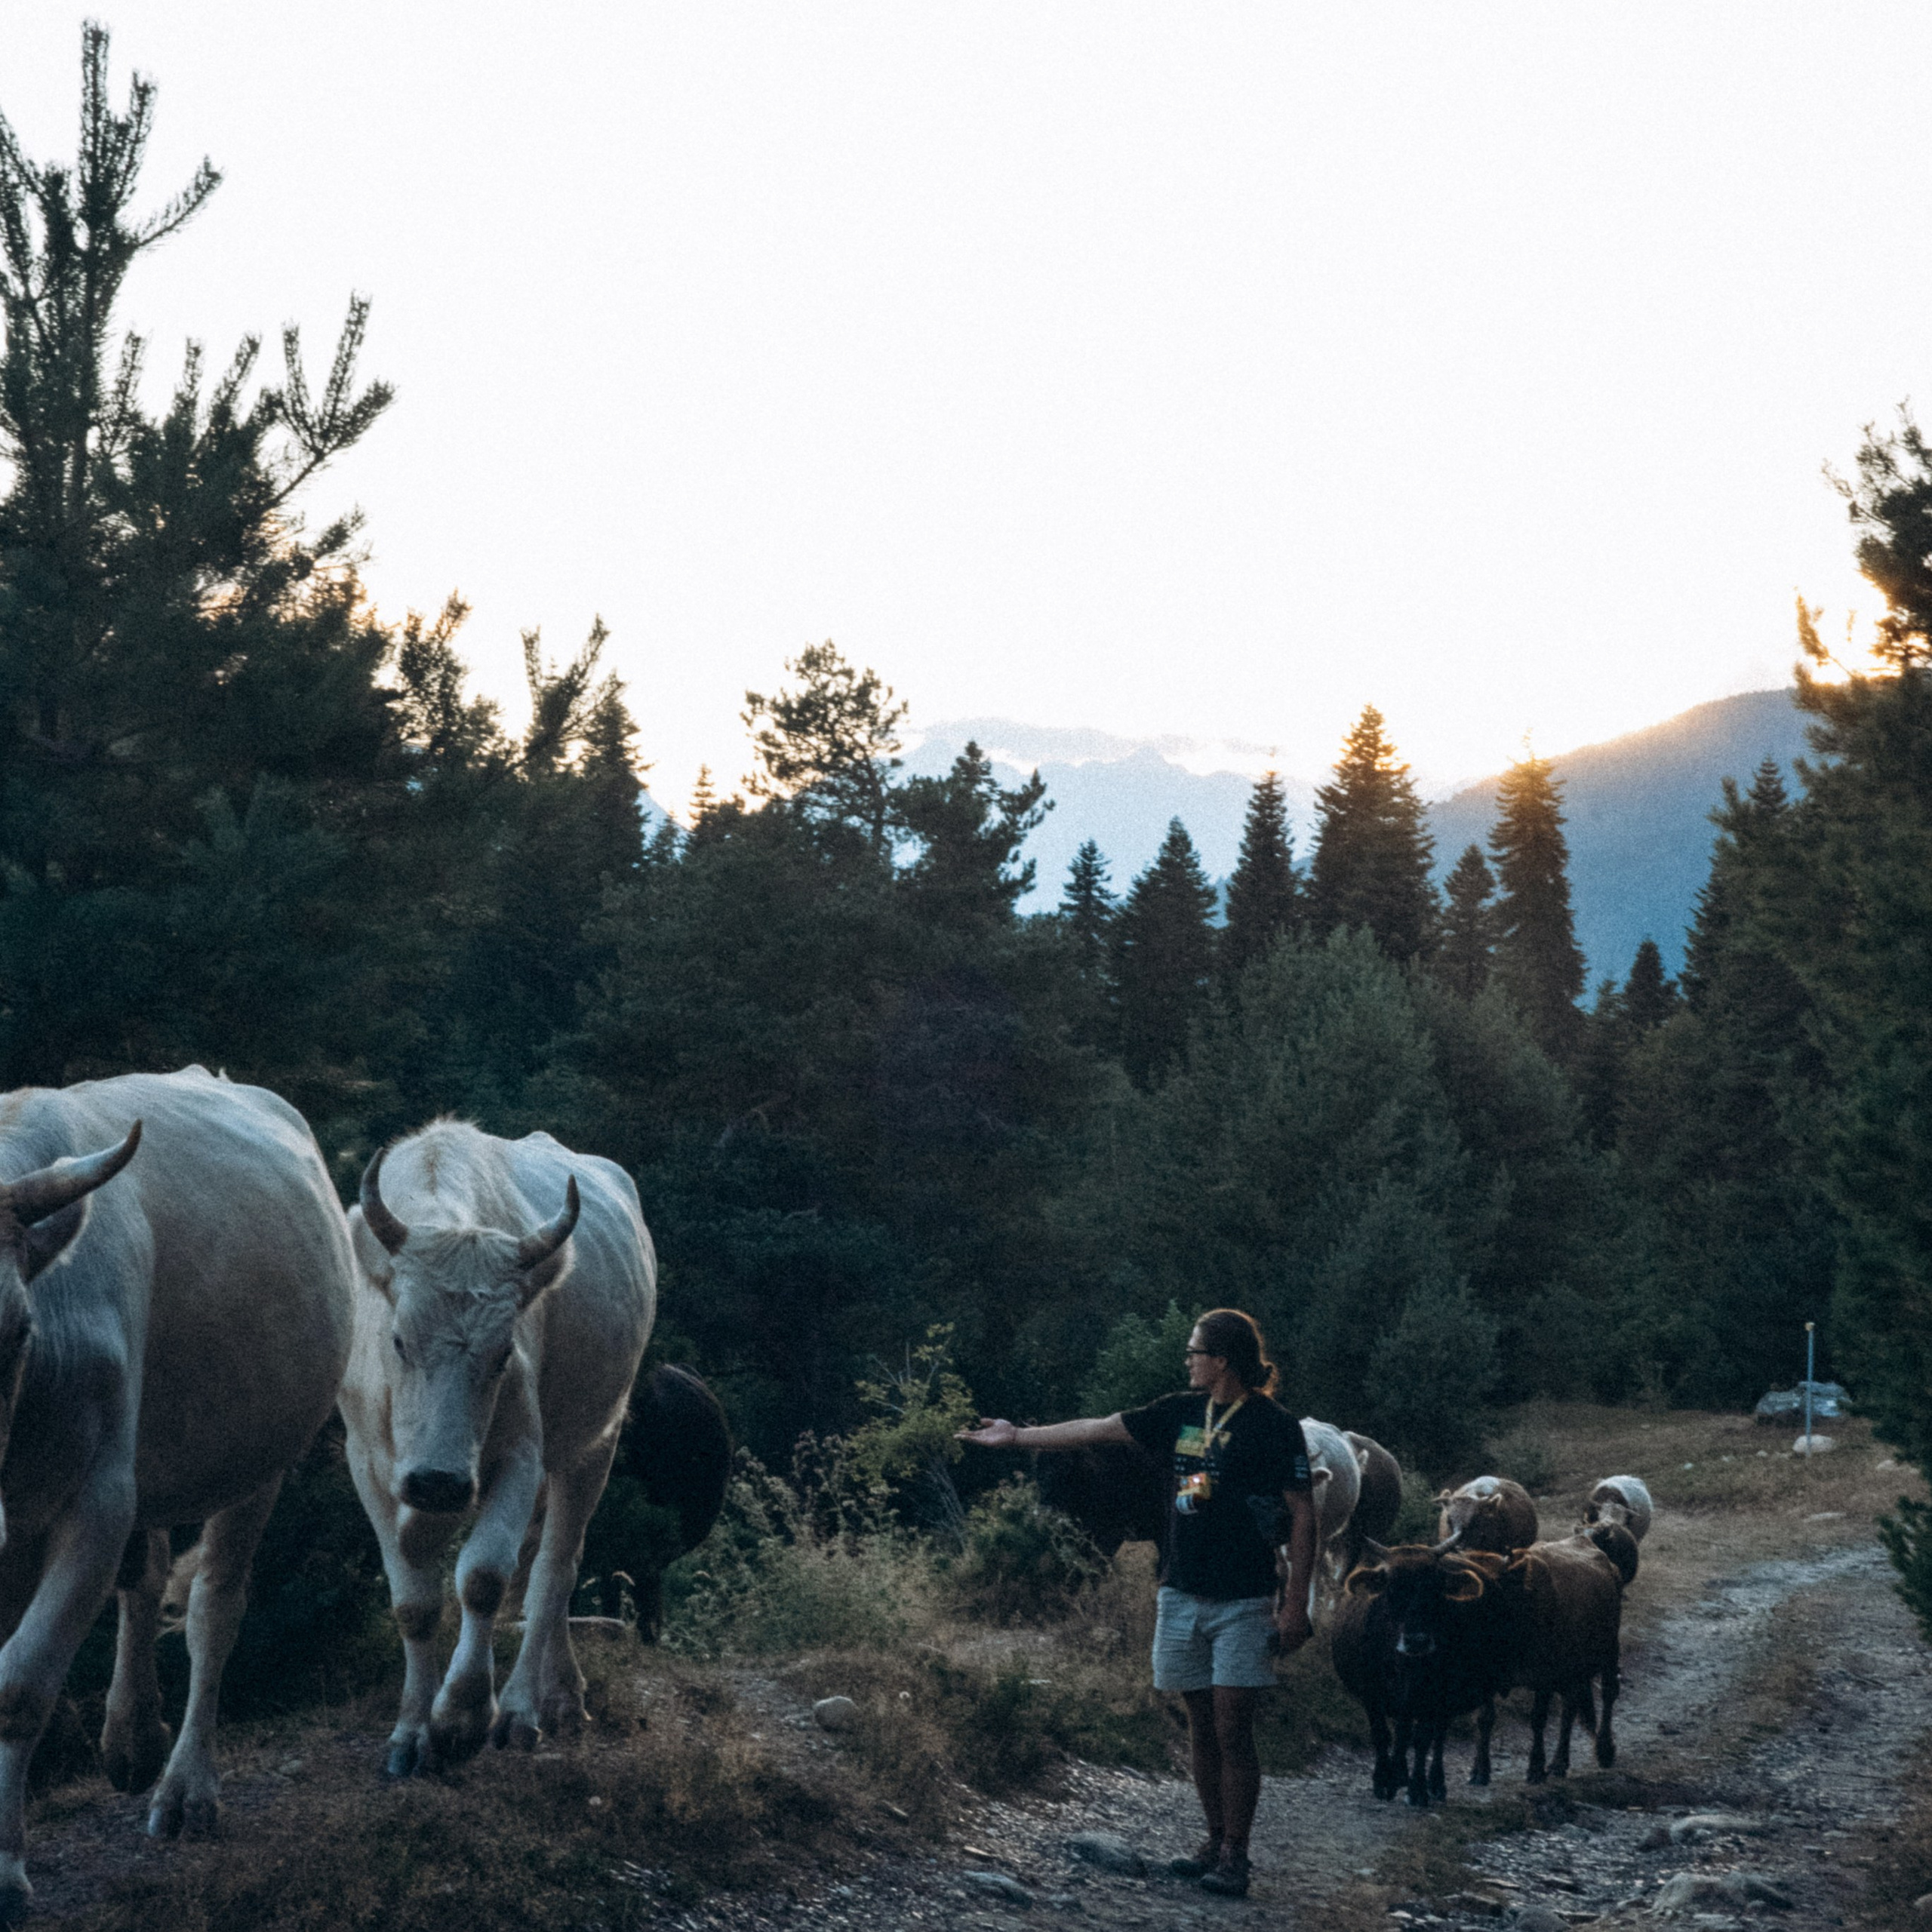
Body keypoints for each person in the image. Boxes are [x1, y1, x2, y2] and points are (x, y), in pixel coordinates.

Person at [958, 1308, 1316, 1899]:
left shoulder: (1274, 1426)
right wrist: (1018, 1436)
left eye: (1193, 1350)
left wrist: (1296, 1601)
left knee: (1233, 1730)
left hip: (1245, 1598)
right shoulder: (1179, 1411)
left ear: (1222, 1358)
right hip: (1179, 1592)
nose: (1188, 1359)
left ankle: (1236, 1855)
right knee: (1200, 1723)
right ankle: (1213, 1837)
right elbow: (1098, 1428)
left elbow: (1304, 1512)